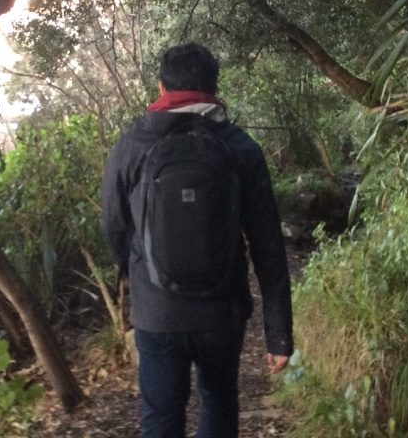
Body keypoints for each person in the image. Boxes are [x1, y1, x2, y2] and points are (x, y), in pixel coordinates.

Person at [101, 42, 294, 438]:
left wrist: (138, 274)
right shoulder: (240, 147)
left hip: (157, 312)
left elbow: (114, 226)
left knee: (161, 414)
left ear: (161, 87)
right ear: (213, 88)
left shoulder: (133, 145)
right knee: (219, 399)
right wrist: (278, 334)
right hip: (221, 312)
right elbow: (268, 244)